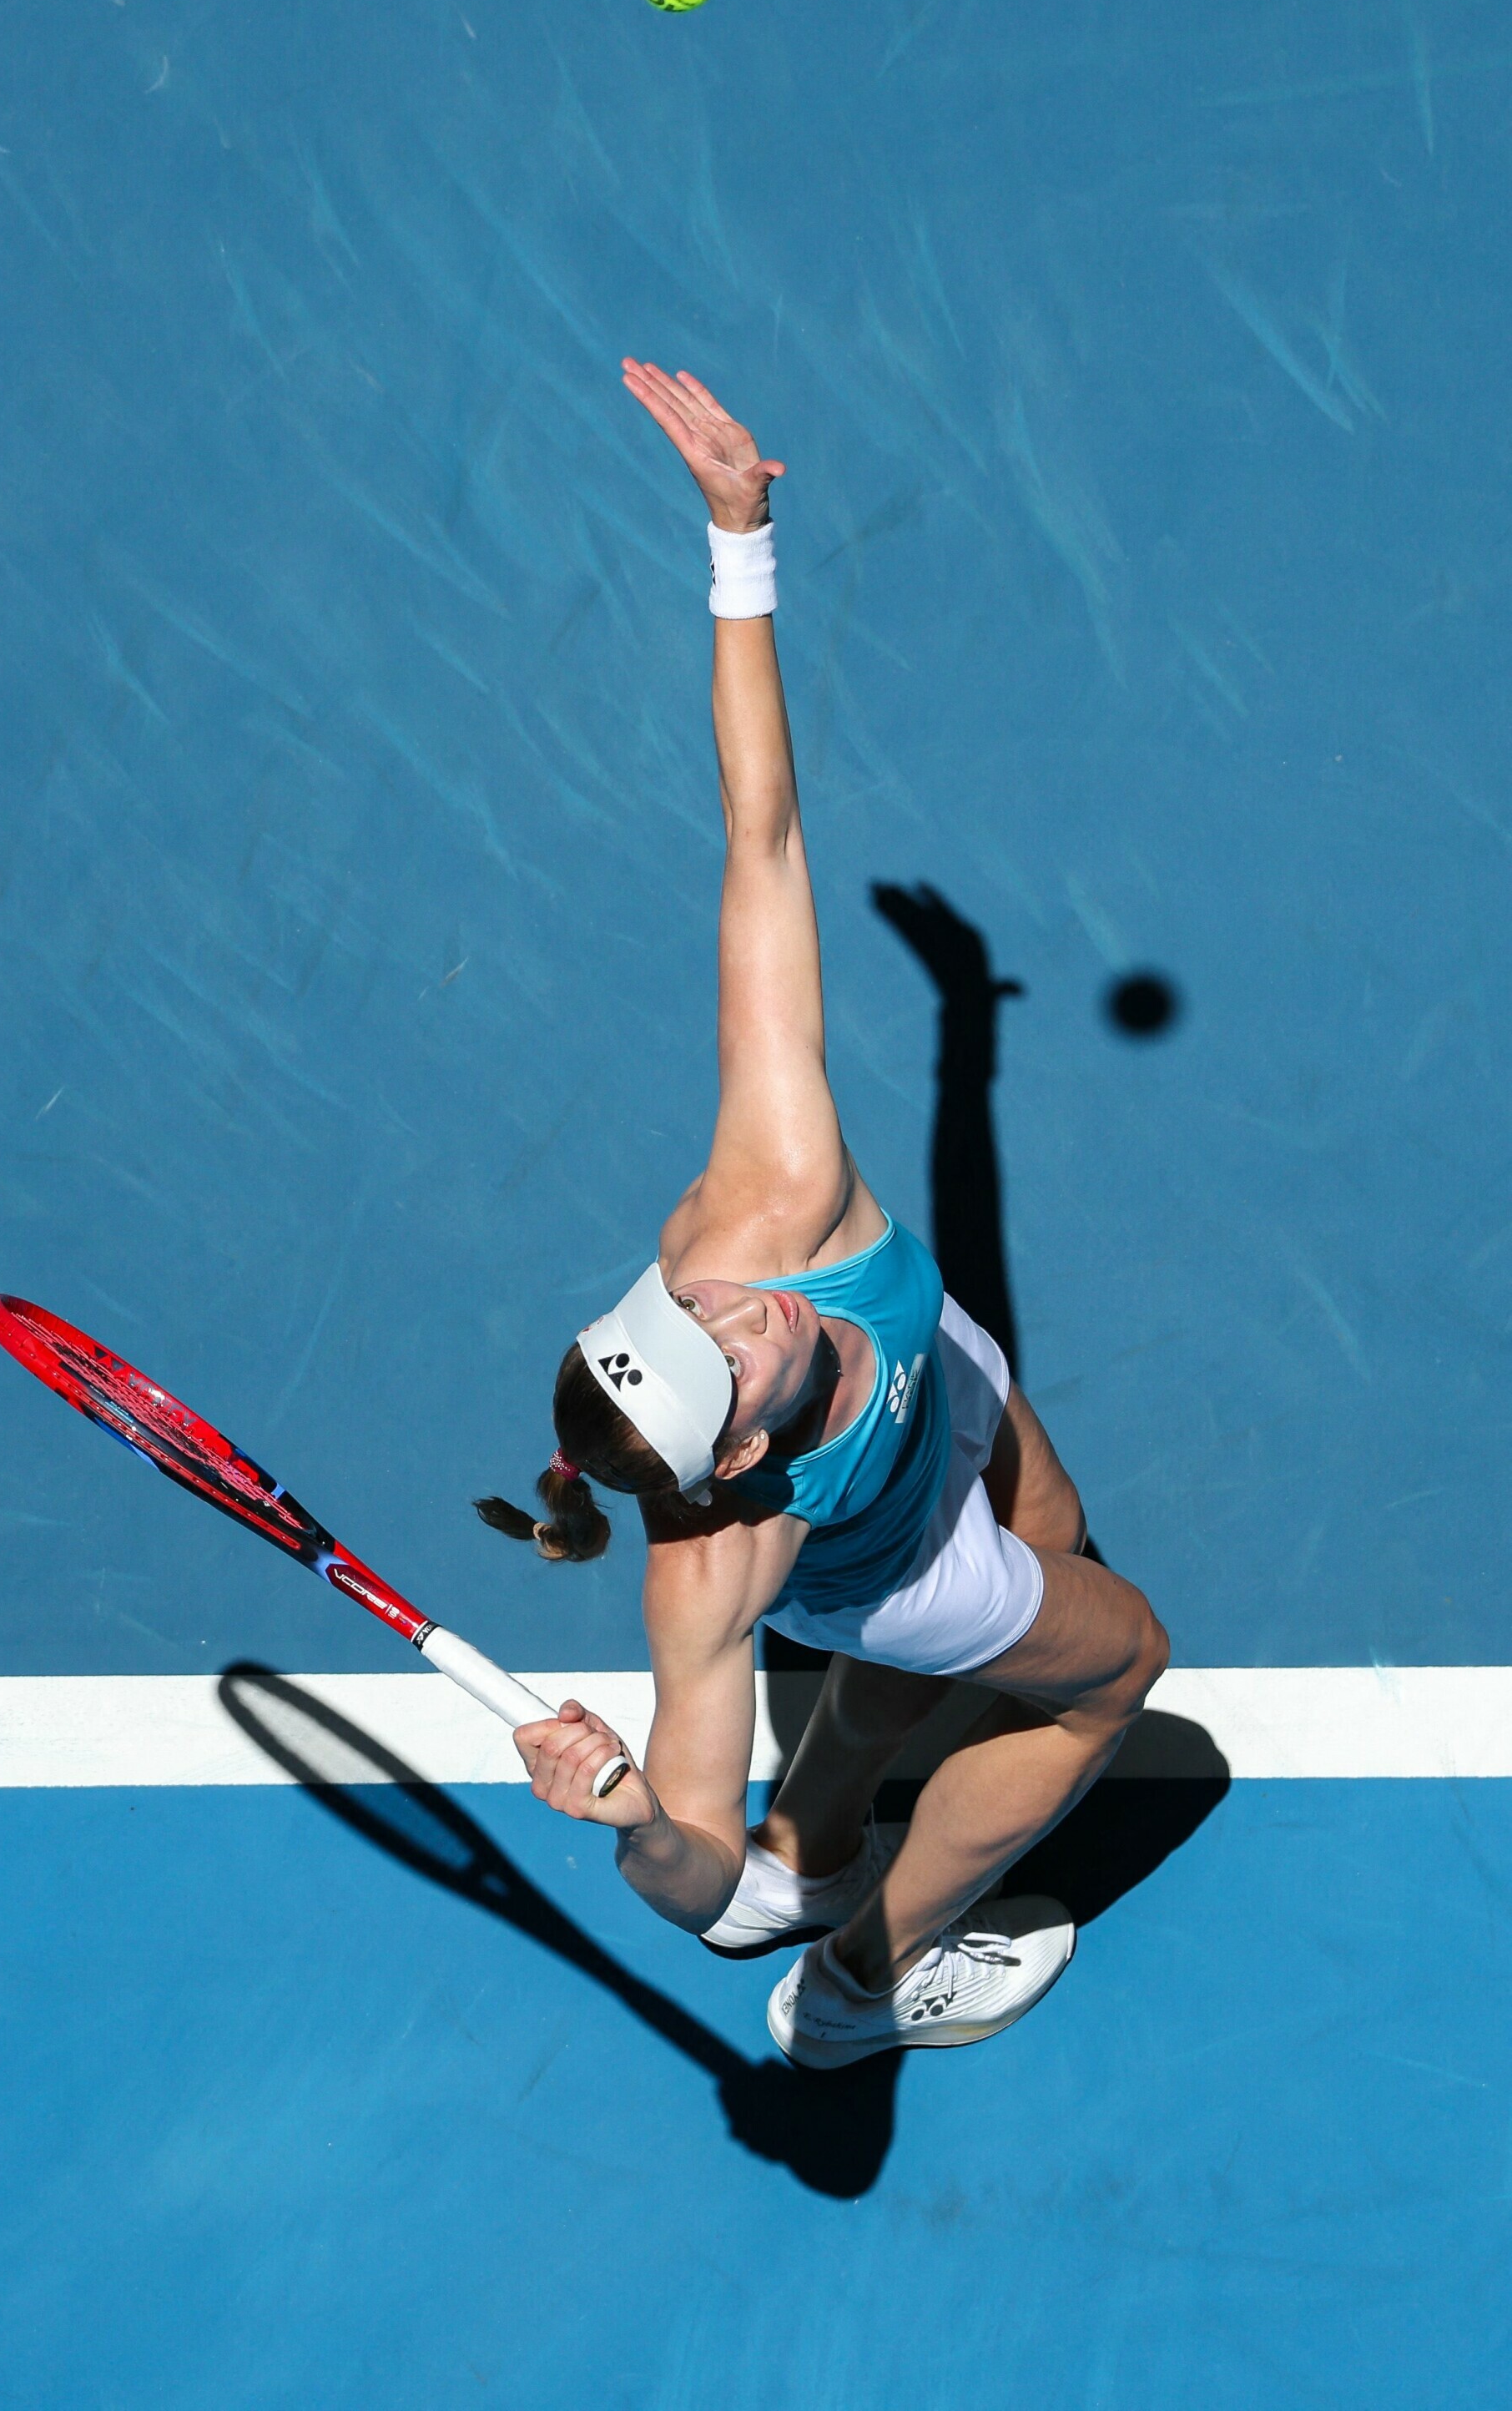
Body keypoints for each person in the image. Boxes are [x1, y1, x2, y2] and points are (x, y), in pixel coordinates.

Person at [475, 361, 1169, 2069]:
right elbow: (682, 1870)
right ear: (725, 1475)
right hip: (886, 1562)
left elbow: (762, 844)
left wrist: (738, 545)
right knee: (1114, 1656)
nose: (741, 1314)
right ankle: (863, 1978)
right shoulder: (717, 1572)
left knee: (1060, 1541)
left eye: (688, 1313)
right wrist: (635, 1815)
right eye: (723, 1364)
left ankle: (831, 1816)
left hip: (943, 1382)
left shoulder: (765, 1208)